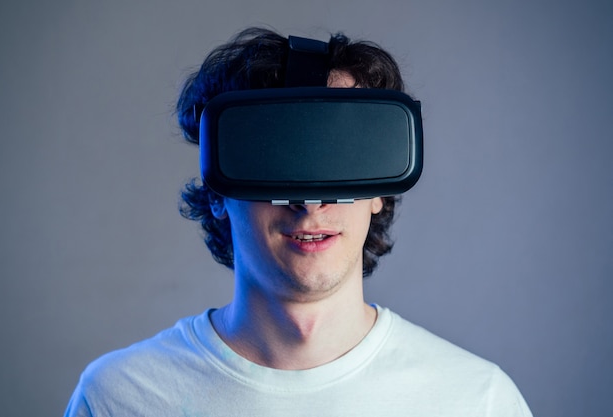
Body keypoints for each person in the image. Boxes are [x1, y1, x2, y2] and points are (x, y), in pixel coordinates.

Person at [64, 27, 533, 416]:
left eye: (340, 158)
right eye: (274, 156)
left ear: (378, 193)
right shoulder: (118, 399)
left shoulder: (477, 401)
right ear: (219, 192)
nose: (310, 201)